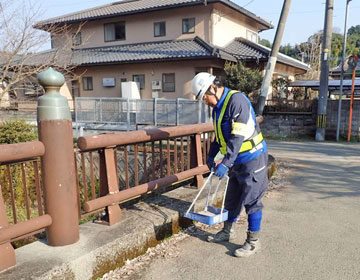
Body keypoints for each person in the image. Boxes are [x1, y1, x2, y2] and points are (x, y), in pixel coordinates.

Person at [191, 72, 268, 258]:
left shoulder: (237, 101)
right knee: (232, 198)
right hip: (236, 160)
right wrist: (211, 155)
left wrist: (225, 162)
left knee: (252, 200)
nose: (205, 102)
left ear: (213, 88)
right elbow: (220, 135)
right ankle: (227, 231)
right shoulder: (217, 107)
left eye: (205, 97)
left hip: (252, 158)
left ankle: (253, 241)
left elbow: (237, 137)